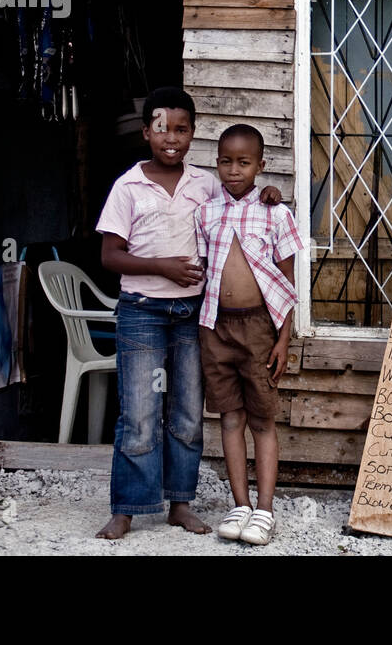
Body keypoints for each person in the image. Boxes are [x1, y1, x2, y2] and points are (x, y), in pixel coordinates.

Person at [94, 87, 281, 540]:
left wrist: (271, 193)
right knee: (139, 410)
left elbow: (242, 198)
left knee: (187, 412)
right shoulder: (128, 186)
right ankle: (127, 507)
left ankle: (181, 502)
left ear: (193, 134)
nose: (171, 138)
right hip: (141, 310)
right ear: (146, 133)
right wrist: (160, 266)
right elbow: (109, 256)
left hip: (193, 312)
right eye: (161, 129)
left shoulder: (205, 184)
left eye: (181, 129)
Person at [195, 124, 302, 545]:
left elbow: (289, 283)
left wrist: (283, 338)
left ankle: (265, 510)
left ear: (261, 165)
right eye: (226, 161)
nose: (234, 170)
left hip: (260, 327)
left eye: (244, 162)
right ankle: (239, 504)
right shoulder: (205, 212)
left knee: (261, 419)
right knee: (230, 417)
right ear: (216, 162)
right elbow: (204, 269)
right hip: (217, 327)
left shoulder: (275, 212)